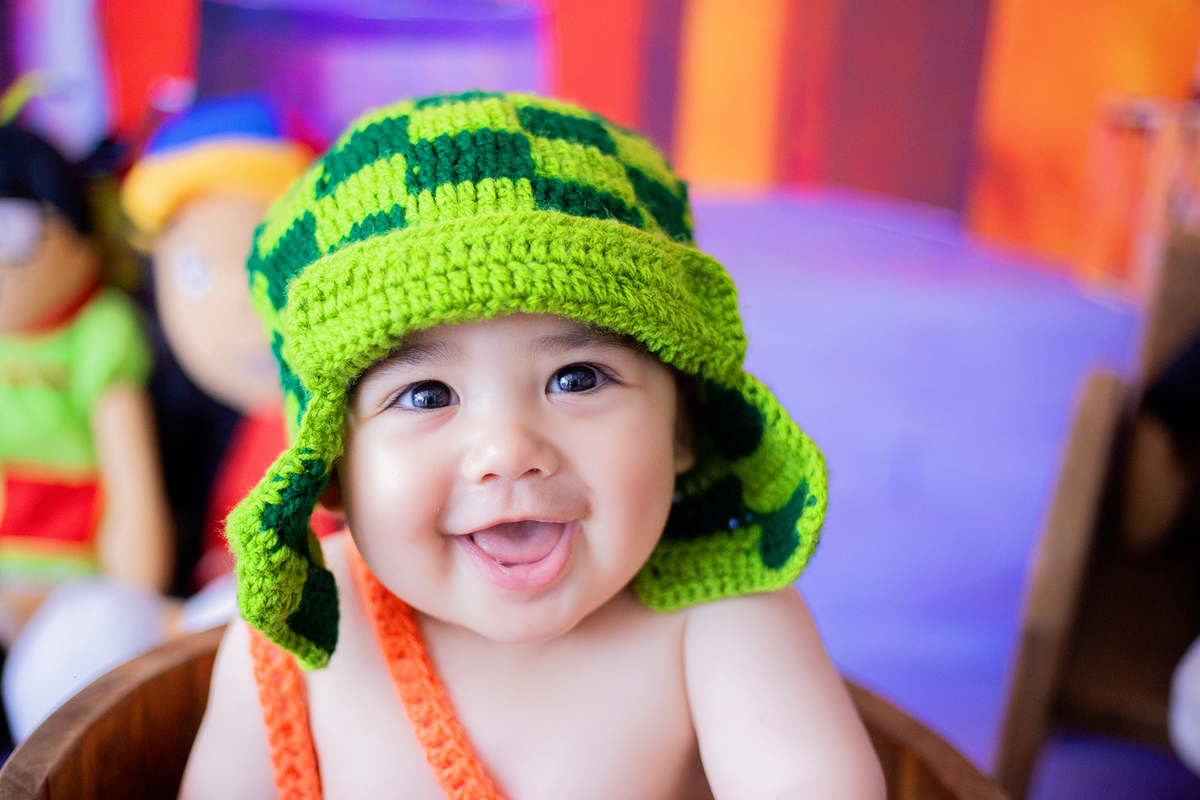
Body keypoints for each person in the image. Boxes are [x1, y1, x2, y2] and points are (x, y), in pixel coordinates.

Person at [180, 91, 885, 800]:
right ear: (330, 461)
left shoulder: (723, 621)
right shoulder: (293, 643)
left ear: (684, 429)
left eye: (577, 378)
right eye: (427, 395)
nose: (508, 449)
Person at [0, 121, 174, 740]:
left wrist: (130, 596)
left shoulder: (98, 334)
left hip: (74, 577)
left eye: (10, 232)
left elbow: (132, 482)